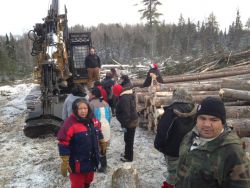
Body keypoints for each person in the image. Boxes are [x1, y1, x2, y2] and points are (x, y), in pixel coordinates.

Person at [175, 96, 250, 188]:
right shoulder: (190, 136)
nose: (206, 124)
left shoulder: (233, 152)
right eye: (202, 118)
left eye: (214, 120)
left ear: (222, 122)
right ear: (196, 119)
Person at [57, 98, 107, 188]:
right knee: (78, 184)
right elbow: (63, 142)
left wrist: (102, 141)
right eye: (80, 109)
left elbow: (98, 130)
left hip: (91, 159)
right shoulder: (70, 123)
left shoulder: (93, 120)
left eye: (85, 108)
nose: (83, 111)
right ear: (75, 110)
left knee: (88, 180)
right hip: (77, 162)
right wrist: (65, 160)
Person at [154, 89, 197, 188]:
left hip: (172, 151)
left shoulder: (171, 111)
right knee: (184, 172)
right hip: (188, 149)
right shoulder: (194, 110)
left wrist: (158, 145)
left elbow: (163, 131)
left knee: (173, 174)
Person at [116, 75, 138, 162]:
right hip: (130, 121)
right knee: (127, 139)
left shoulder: (124, 98)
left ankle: (129, 157)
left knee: (129, 140)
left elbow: (126, 114)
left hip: (130, 122)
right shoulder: (125, 95)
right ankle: (127, 153)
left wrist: (124, 125)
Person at [89, 87, 111, 173]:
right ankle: (104, 165)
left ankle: (96, 164)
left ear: (93, 95)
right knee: (103, 146)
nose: (88, 95)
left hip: (96, 128)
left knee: (95, 146)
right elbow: (109, 117)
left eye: (89, 93)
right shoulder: (105, 103)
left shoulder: (90, 104)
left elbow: (90, 118)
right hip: (106, 127)